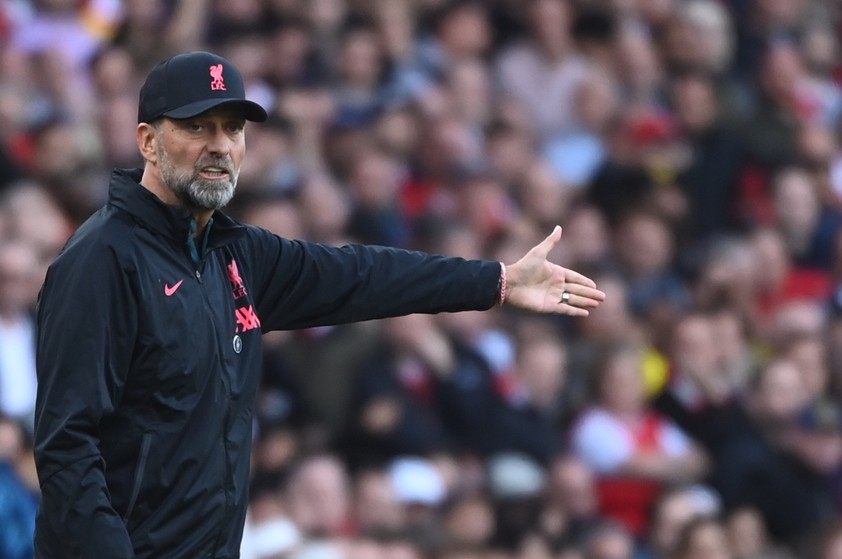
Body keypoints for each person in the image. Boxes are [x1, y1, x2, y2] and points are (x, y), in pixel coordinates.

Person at [31, 51, 605, 559]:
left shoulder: (236, 255)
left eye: (232, 128)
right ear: (147, 142)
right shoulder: (103, 259)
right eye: (197, 126)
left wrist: (496, 281)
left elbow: (364, 276)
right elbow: (67, 445)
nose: (220, 145)